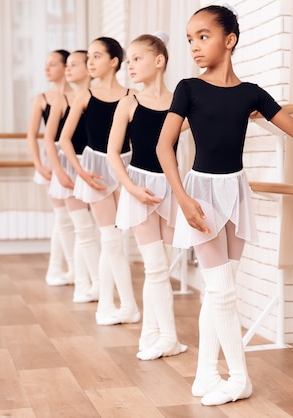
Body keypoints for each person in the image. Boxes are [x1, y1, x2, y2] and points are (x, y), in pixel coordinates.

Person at [156, 4, 293, 406]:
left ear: (228, 40)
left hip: (236, 191)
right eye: (189, 39)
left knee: (221, 291)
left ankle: (204, 374)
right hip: (201, 193)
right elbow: (164, 145)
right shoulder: (188, 88)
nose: (195, 46)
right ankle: (239, 378)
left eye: (203, 36)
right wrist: (183, 198)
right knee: (221, 290)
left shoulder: (251, 94)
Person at [107, 32, 188, 360]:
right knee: (154, 266)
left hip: (169, 187)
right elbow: (113, 153)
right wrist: (131, 188)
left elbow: (204, 122)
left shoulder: (179, 105)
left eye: (136, 59)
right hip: (139, 187)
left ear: (159, 61)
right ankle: (168, 338)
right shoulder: (129, 103)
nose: (130, 67)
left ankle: (150, 336)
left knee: (161, 267)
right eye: (128, 61)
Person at [59, 37, 141, 322]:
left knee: (118, 239)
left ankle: (115, 305)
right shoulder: (85, 95)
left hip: (127, 167)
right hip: (95, 169)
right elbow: (65, 139)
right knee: (110, 238)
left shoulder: (133, 95)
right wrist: (80, 171)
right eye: (89, 57)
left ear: (114, 61)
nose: (90, 62)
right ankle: (118, 304)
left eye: (96, 57)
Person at [45, 50, 101, 302]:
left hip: (95, 168)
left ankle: (89, 284)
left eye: (74, 65)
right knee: (83, 229)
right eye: (66, 65)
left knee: (93, 231)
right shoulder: (62, 100)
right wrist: (58, 172)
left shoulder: (97, 99)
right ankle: (89, 283)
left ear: (89, 68)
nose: (68, 69)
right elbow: (50, 140)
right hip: (69, 169)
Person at [26, 49, 75, 286]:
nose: (46, 69)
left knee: (69, 218)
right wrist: (39, 165)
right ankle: (69, 268)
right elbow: (31, 136)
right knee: (62, 216)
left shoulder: (78, 97)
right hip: (50, 159)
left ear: (66, 67)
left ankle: (57, 269)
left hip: (74, 157)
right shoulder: (42, 99)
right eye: (46, 65)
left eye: (52, 64)